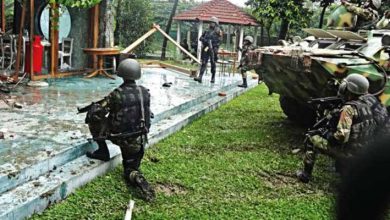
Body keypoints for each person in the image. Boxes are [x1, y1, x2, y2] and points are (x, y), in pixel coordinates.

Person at [79, 59, 155, 201]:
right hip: (139, 140)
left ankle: (102, 152)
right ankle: (136, 176)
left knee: (93, 120)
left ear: (121, 74)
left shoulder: (117, 94)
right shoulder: (144, 92)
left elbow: (98, 112)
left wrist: (93, 109)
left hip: (121, 137)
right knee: (130, 169)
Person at [296, 74, 377, 183]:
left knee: (311, 138)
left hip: (351, 153)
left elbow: (341, 137)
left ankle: (305, 175)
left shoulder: (349, 109)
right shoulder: (369, 104)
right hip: (366, 151)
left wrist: (326, 134)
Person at [194, 16, 222, 83]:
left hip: (213, 49)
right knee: (204, 62)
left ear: (216, 24)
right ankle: (200, 77)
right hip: (206, 48)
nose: (211, 24)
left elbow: (220, 41)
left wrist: (214, 46)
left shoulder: (218, 31)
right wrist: (206, 41)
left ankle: (213, 77)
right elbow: (200, 38)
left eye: (213, 23)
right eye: (210, 22)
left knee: (213, 63)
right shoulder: (206, 31)